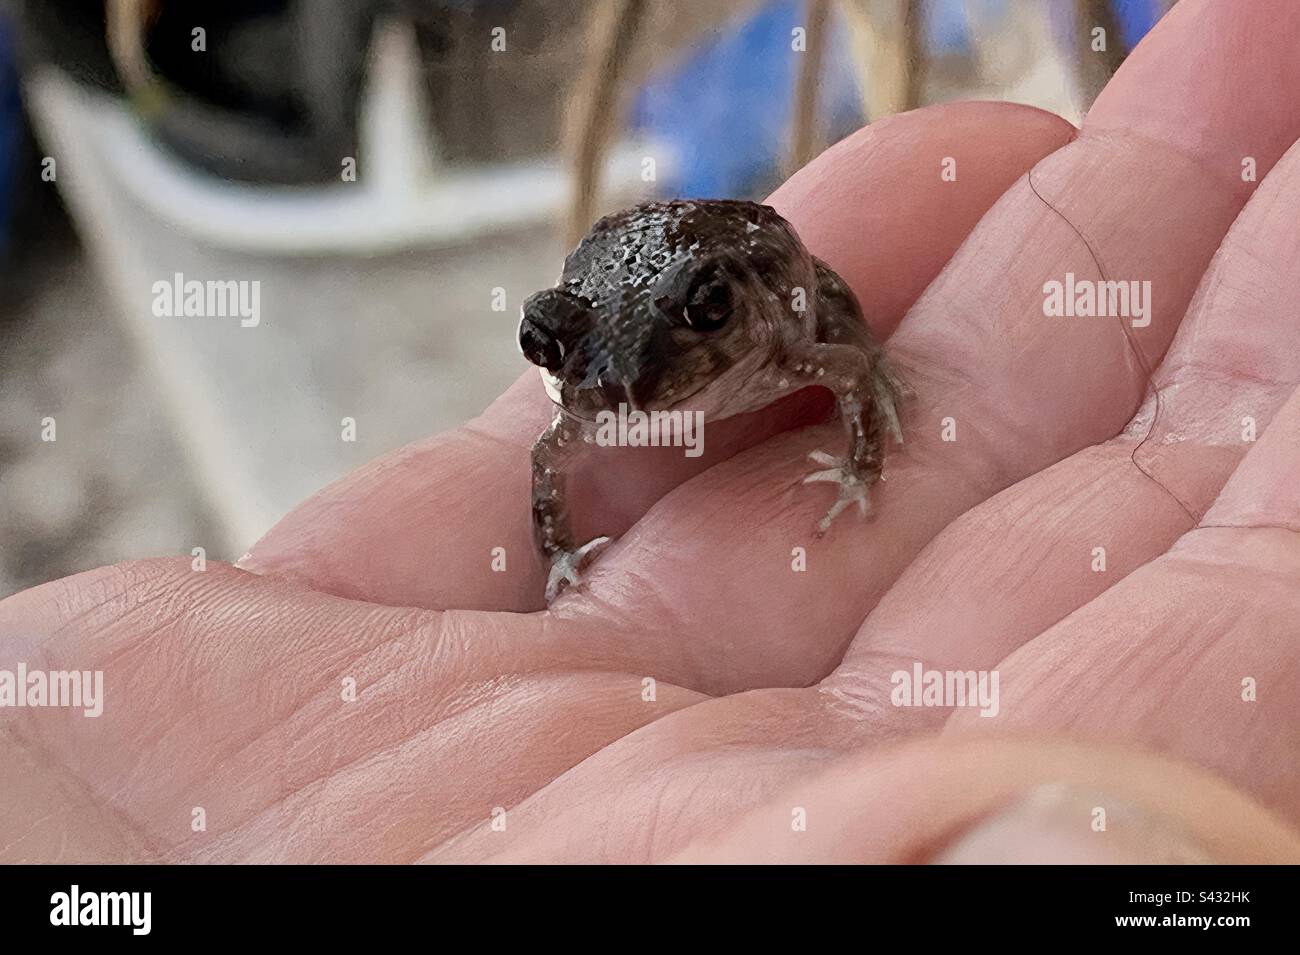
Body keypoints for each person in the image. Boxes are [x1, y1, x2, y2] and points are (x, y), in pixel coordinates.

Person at [1, 0, 1298, 863]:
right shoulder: (592, 401)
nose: (614, 391)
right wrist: (560, 551)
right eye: (556, 353)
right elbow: (553, 457)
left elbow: (845, 353)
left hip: (726, 264)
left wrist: (866, 432)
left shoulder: (776, 328)